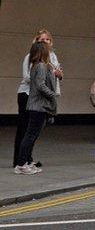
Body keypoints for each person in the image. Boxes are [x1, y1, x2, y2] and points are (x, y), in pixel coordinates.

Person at [13, 30, 60, 169]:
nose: (45, 42)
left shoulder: (52, 58)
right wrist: (50, 90)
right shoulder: (33, 58)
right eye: (42, 40)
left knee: (33, 132)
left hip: (41, 98)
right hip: (28, 95)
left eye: (48, 40)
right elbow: (30, 78)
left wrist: (57, 75)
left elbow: (52, 77)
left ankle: (27, 159)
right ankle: (20, 161)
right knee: (26, 130)